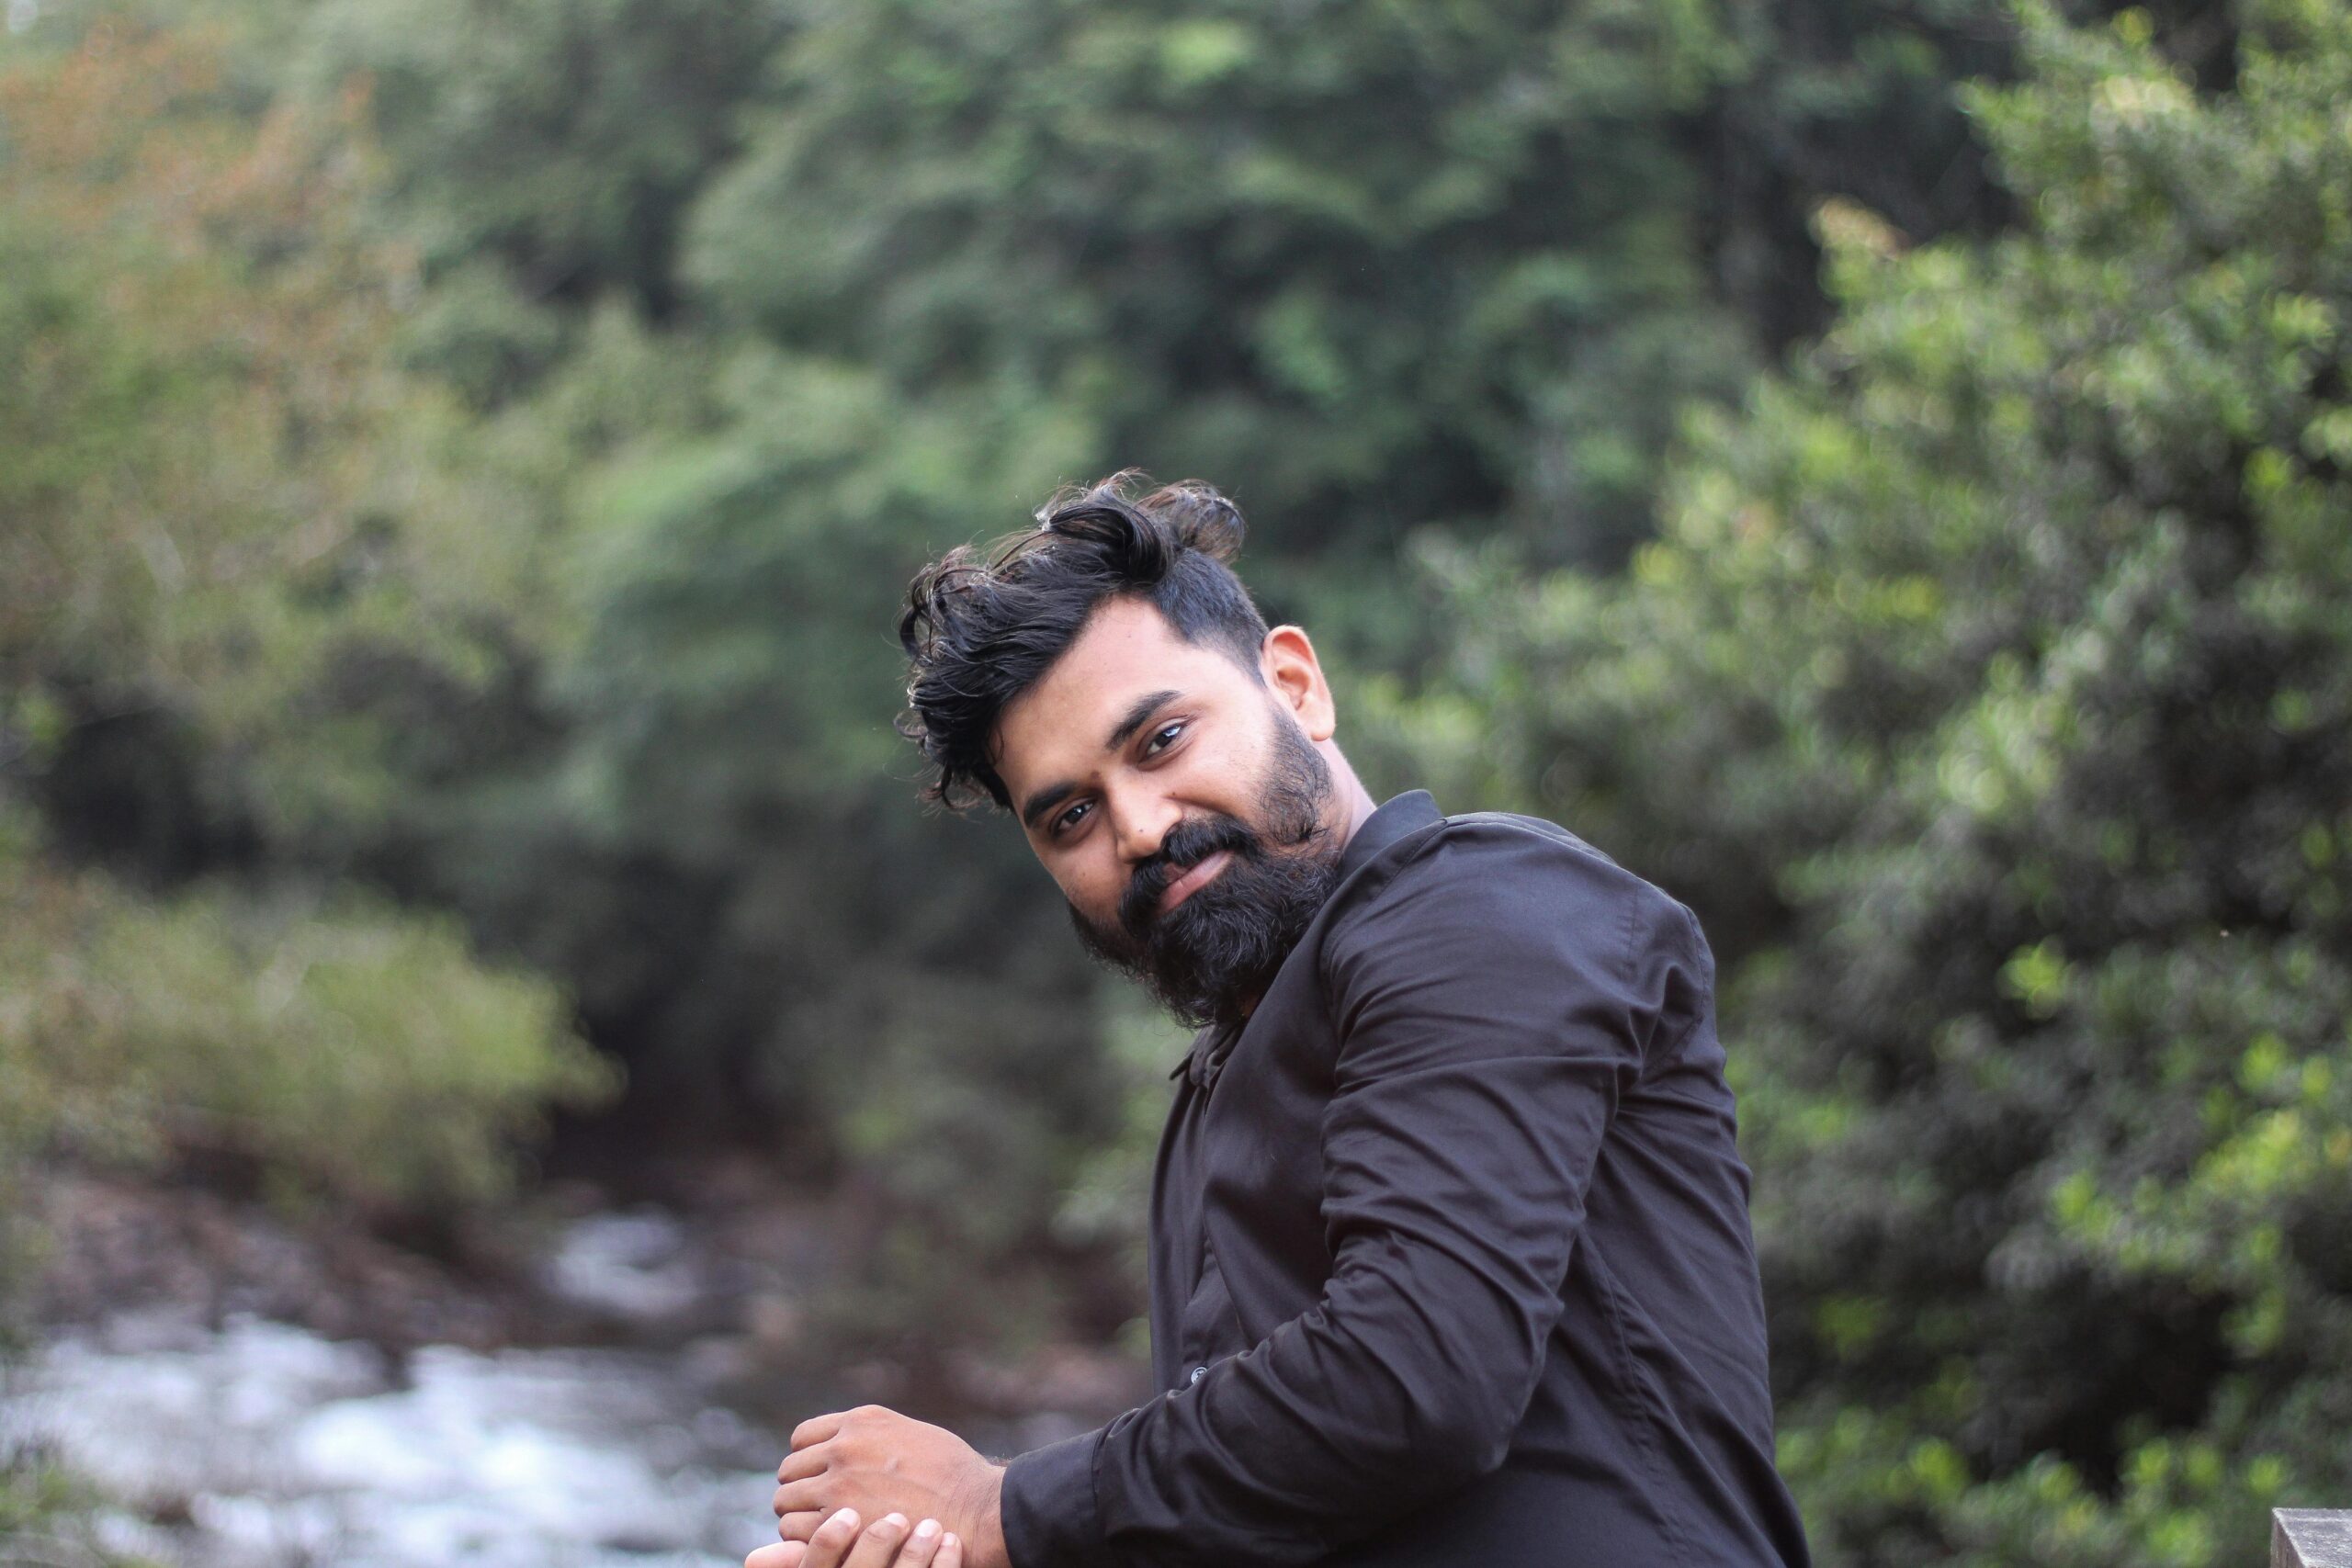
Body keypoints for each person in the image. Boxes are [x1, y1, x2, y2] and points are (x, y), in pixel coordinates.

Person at [750, 474, 1813, 1568]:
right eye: (1071, 814)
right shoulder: (1210, 1098)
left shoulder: (1480, 911)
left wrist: (1004, 1510)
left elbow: (1415, 1378)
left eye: (1161, 741)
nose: (1141, 826)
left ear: (1295, 687)